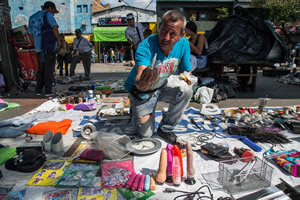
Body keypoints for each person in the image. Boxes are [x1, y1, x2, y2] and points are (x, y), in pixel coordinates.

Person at [124, 10, 192, 144]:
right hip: (143, 91)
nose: (166, 38)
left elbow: (186, 72)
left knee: (187, 91)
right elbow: (139, 81)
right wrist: (145, 79)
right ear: (159, 27)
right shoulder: (146, 45)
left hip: (162, 84)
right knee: (145, 135)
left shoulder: (183, 44)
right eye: (163, 31)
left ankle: (166, 128)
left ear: (181, 35)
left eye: (172, 34)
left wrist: (187, 79)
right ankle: (135, 108)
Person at [27, 1, 61, 96]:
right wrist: (58, 40)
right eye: (53, 11)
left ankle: (38, 90)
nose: (53, 13)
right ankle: (48, 90)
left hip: (39, 48)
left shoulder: (32, 17)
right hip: (49, 46)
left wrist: (34, 42)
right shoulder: (48, 15)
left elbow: (29, 32)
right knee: (49, 68)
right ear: (50, 8)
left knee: (41, 68)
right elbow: (54, 28)